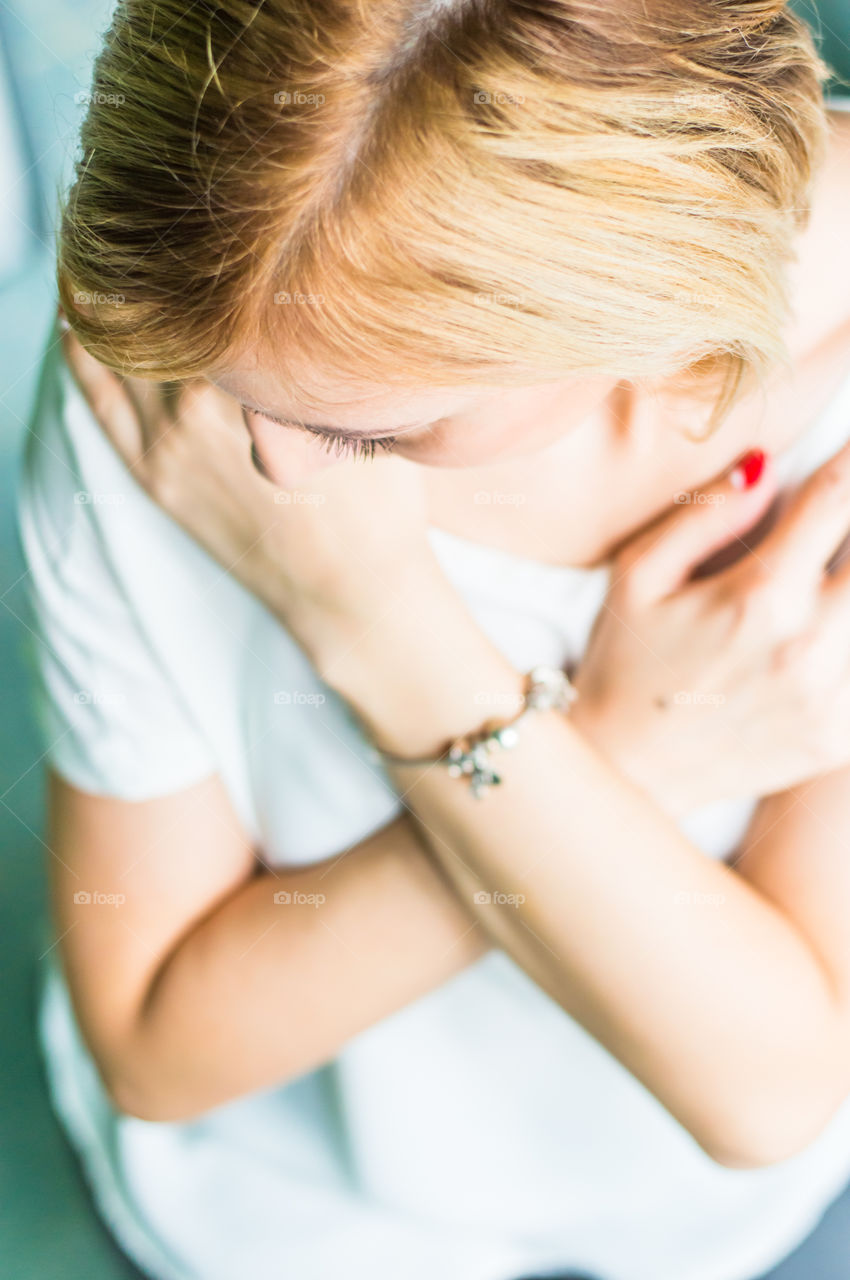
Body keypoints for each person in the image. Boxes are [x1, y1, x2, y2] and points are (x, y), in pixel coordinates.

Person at [16, 2, 850, 1277]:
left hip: (698, 1213)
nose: (271, 474)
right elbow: (153, 1048)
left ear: (640, 316)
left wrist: (383, 629)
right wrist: (629, 752)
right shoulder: (175, 390)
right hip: (289, 1212)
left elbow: (772, 1084)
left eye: (377, 426)